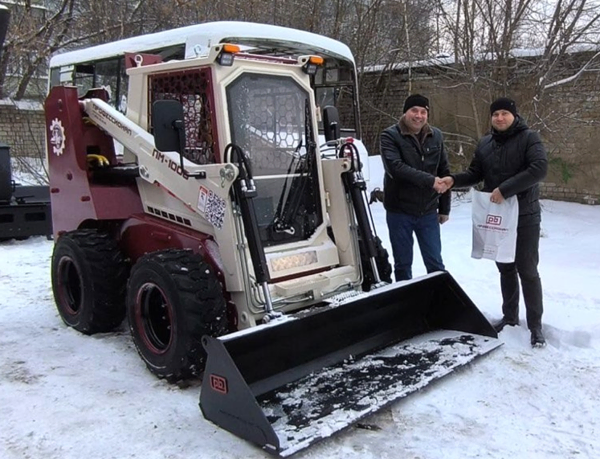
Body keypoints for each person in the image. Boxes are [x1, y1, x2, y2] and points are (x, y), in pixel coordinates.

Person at [440, 97, 548, 348]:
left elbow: (539, 169)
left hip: (525, 216)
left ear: (514, 116)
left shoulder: (529, 138)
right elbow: (476, 173)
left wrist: (506, 189)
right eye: (495, 114)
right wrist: (453, 180)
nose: (499, 118)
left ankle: (536, 326)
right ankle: (510, 317)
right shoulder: (485, 143)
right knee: (505, 268)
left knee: (528, 270)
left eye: (504, 114)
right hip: (498, 219)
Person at [380, 94, 451, 282]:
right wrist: (430, 181)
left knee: (435, 263)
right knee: (403, 265)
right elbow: (395, 168)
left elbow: (444, 171)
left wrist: (444, 208)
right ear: (405, 112)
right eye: (414, 111)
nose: (418, 116)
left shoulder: (436, 136)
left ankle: (438, 300)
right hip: (400, 212)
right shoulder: (390, 136)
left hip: (428, 211)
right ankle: (406, 305)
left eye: (423, 112)